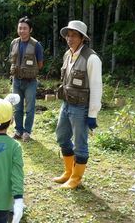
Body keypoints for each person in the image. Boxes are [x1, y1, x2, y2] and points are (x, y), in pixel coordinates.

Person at [53, 20, 102, 189]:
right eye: (68, 35)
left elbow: (96, 87)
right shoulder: (68, 55)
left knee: (81, 144)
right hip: (66, 104)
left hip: (81, 108)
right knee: (61, 136)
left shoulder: (92, 58)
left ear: (82, 38)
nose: (70, 38)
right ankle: (68, 171)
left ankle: (76, 178)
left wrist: (92, 114)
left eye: (74, 35)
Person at [9, 16, 44, 142]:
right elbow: (11, 60)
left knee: (29, 108)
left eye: (24, 28)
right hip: (16, 81)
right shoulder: (14, 43)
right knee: (17, 107)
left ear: (30, 30)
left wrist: (29, 71)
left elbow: (40, 64)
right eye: (20, 28)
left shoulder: (36, 45)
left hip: (30, 82)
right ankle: (18, 130)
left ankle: (27, 132)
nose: (22, 30)